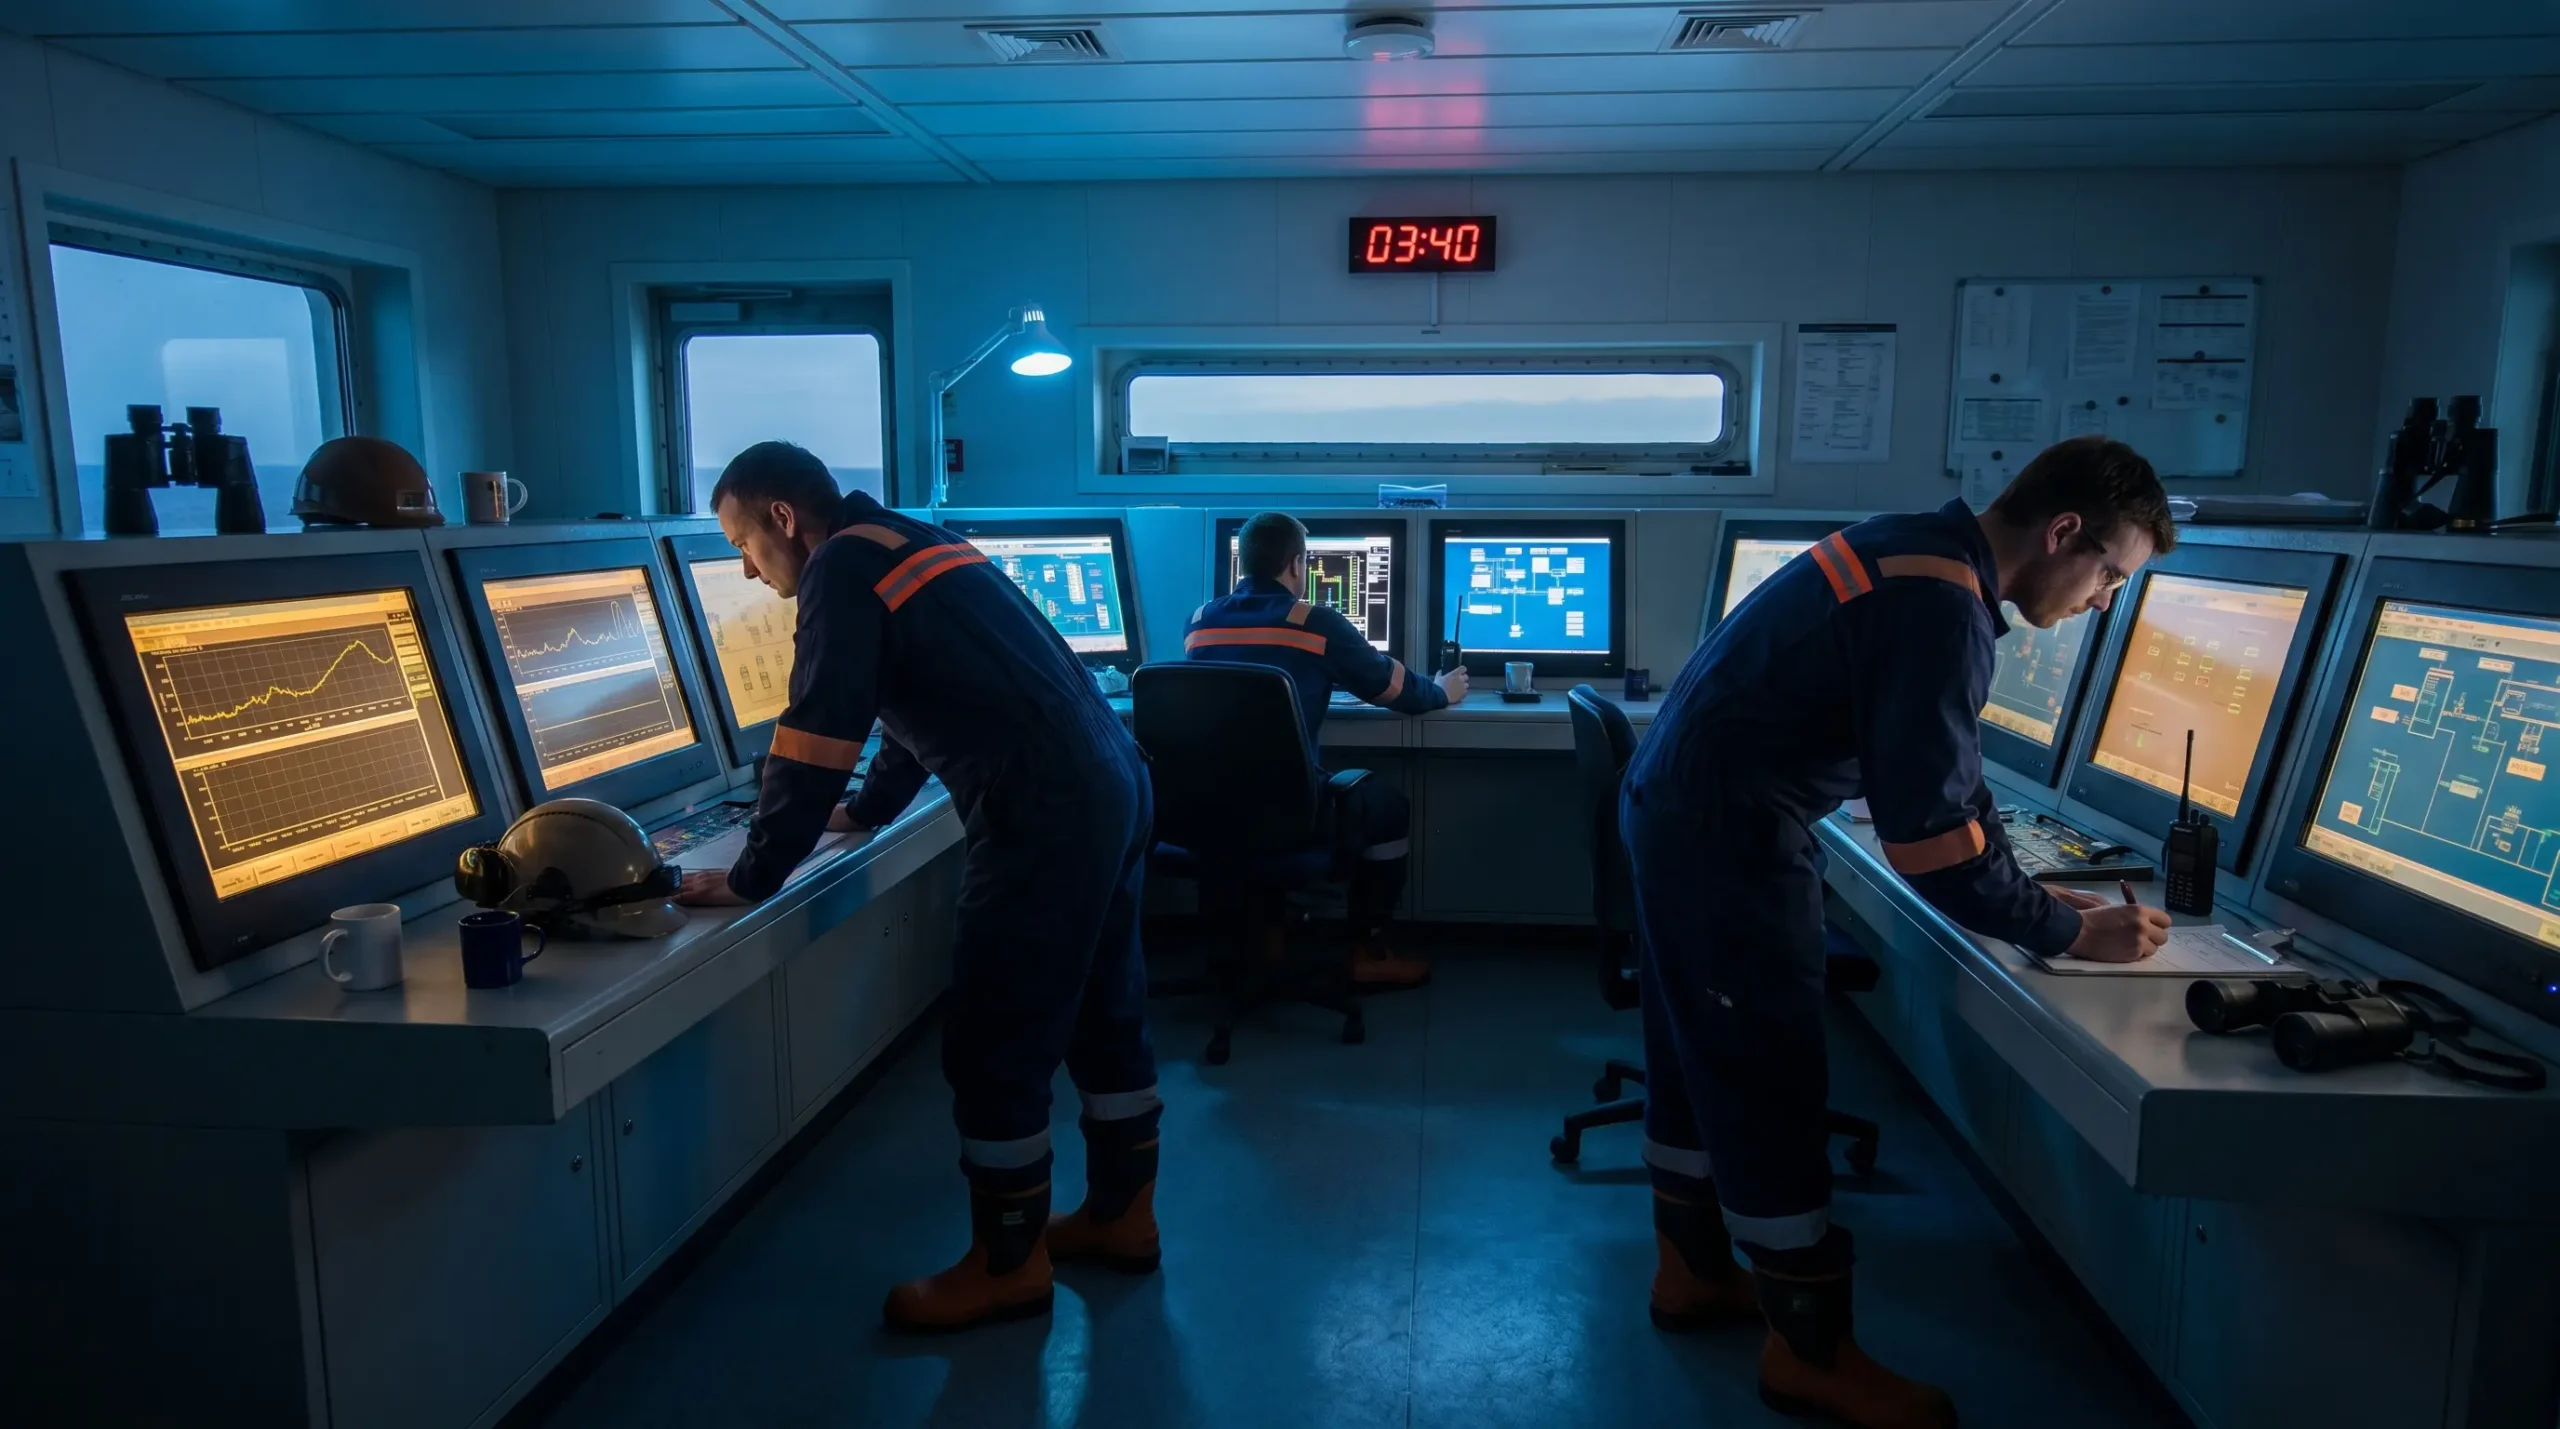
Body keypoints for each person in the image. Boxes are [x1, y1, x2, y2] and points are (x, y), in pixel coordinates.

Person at [1622, 435, 2176, 1429]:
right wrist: (2061, 928)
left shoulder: (1913, 544)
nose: (2102, 601)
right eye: (2109, 574)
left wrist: (2041, 893)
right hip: (1729, 836)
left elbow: (1939, 786)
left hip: (1685, 810)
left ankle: (1692, 1276)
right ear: (2062, 533)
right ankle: (1810, 1354)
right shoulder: (1941, 607)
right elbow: (1932, 844)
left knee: (1695, 1052)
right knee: (1765, 1075)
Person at [674, 442, 1163, 1333]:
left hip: (1043, 809)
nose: (747, 570)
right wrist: (864, 813)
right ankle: (1123, 1215)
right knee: (1105, 1010)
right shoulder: (907, 539)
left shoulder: (839, 569)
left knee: (994, 1037)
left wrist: (753, 875)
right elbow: (909, 702)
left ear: (784, 519)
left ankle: (1009, 1264)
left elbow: (820, 724)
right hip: (1115, 782)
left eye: (744, 543)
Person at [1182, 512, 1468, 989]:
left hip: (1208, 811)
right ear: (1296, 565)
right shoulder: (1315, 622)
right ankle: (1368, 948)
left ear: (1243, 564)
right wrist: (1443, 690)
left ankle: (1264, 936)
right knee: (1388, 807)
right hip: (1292, 811)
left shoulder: (1200, 623)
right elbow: (1399, 692)